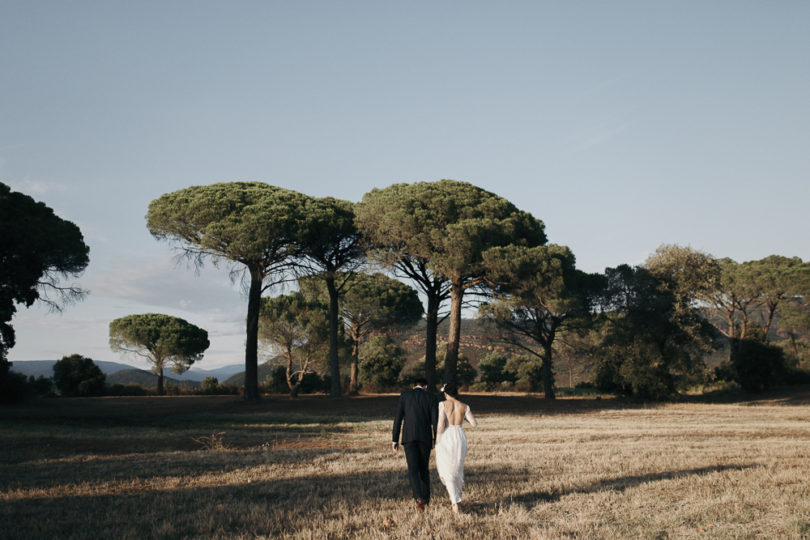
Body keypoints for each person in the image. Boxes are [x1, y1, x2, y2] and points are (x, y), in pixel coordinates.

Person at [392, 377, 439, 512]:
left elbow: (398, 418)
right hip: (425, 437)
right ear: (425, 387)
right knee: (424, 468)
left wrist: (394, 439)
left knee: (413, 469)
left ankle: (418, 497)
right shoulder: (431, 397)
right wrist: (436, 440)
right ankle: (426, 498)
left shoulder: (405, 395)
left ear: (414, 386)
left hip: (409, 437)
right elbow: (435, 421)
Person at [435, 382, 478, 513]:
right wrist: (462, 416)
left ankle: (455, 502)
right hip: (459, 436)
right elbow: (474, 423)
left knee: (447, 468)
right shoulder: (464, 406)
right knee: (457, 467)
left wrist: (437, 440)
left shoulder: (442, 405)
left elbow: (441, 425)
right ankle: (457, 497)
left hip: (447, 436)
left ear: (446, 393)